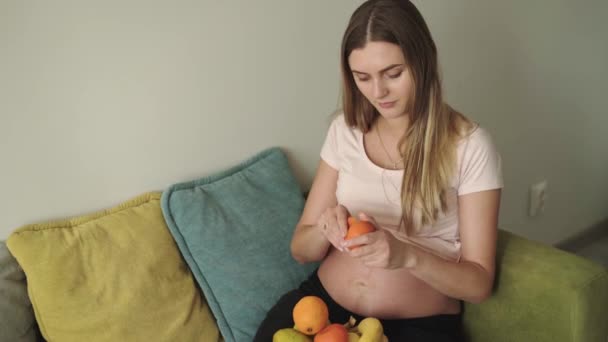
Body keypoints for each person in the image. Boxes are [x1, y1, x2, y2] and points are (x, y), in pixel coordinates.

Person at [254, 0, 503, 341]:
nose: (378, 92)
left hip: (416, 326)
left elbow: (479, 284)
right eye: (363, 78)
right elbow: (301, 249)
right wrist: (325, 229)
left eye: (393, 73)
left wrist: (408, 256)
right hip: (322, 311)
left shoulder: (470, 146)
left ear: (423, 60)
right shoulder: (346, 130)